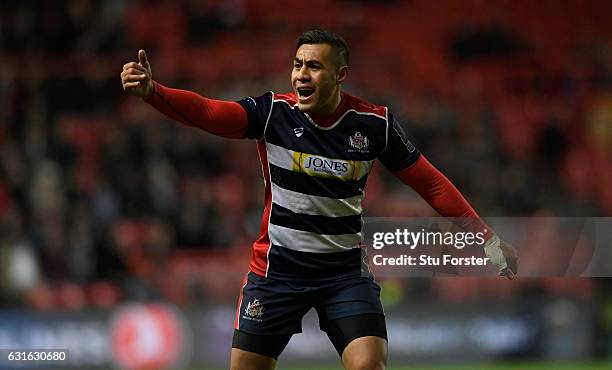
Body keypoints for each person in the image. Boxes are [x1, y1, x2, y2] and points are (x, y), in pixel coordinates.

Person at [121, 29, 517, 370]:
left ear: (340, 74)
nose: (300, 75)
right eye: (297, 65)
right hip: (276, 274)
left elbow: (430, 184)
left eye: (313, 66)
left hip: (343, 276)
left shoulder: (374, 125)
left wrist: (486, 238)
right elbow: (209, 112)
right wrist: (155, 92)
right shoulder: (272, 113)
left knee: (369, 364)